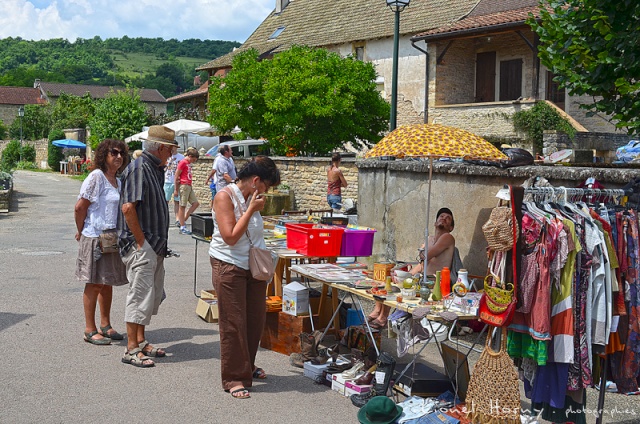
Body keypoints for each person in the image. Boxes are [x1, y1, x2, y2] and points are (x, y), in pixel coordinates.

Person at [209, 156, 281, 399]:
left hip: (253, 267)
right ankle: (234, 378)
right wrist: (250, 210)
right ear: (256, 180)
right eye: (266, 186)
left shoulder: (252, 198)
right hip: (228, 265)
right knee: (233, 323)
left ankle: (247, 366)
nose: (267, 192)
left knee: (254, 320)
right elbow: (230, 236)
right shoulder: (224, 196)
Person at [117, 125, 177, 368]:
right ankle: (131, 349)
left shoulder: (153, 168)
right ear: (161, 148)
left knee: (149, 297)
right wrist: (142, 243)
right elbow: (128, 208)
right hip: (143, 246)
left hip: (153, 245)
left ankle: (140, 341)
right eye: (171, 149)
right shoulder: (141, 168)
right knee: (140, 296)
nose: (172, 154)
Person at [75, 139, 130, 345]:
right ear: (103, 156)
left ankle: (105, 325)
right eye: (113, 153)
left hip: (111, 237)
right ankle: (90, 329)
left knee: (108, 282)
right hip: (95, 236)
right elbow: (80, 207)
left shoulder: (118, 180)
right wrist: (81, 232)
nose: (118, 157)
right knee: (95, 282)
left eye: (121, 153)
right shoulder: (96, 177)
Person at [367, 208, 455, 329]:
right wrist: (406, 275)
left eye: (448, 218)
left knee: (394, 289)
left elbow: (426, 255)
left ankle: (383, 318)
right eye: (441, 216)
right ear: (435, 223)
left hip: (435, 283)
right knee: (388, 282)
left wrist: (422, 250)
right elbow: (422, 264)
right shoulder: (429, 239)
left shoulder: (447, 237)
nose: (444, 218)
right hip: (421, 280)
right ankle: (377, 310)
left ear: (451, 228)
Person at [174, 148, 200, 235]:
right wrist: (176, 189)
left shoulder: (188, 163)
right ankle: (182, 226)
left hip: (188, 185)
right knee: (182, 206)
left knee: (195, 203)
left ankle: (183, 220)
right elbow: (177, 175)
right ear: (189, 156)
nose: (193, 161)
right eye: (193, 159)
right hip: (184, 185)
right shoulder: (183, 162)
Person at [163, 147, 184, 227]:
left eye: (173, 147)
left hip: (177, 182)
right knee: (166, 201)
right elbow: (164, 168)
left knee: (177, 201)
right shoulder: (167, 156)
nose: (172, 149)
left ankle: (177, 219)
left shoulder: (181, 157)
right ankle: (164, 218)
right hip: (167, 181)